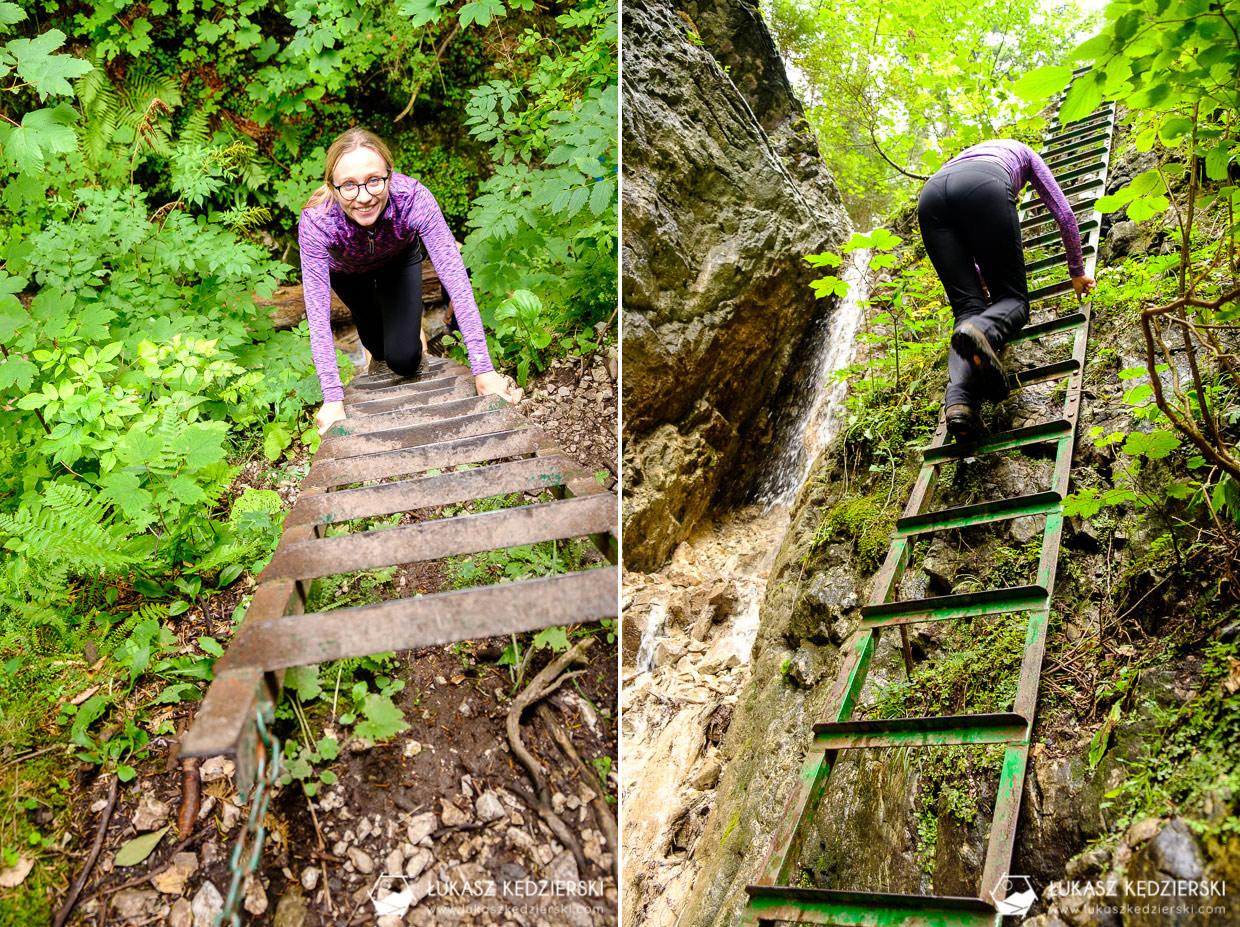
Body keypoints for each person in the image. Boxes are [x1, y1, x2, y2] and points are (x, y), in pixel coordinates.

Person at [298, 127, 519, 436]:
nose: (364, 197)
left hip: (397, 263)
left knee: (403, 359)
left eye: (374, 180)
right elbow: (318, 316)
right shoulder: (317, 221)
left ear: (390, 173)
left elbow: (455, 278)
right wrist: (333, 398)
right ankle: (379, 333)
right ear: (332, 187)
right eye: (348, 185)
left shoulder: (413, 198)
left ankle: (407, 325)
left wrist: (484, 369)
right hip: (349, 275)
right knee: (377, 347)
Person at [917, 139, 1096, 442]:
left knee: (967, 310)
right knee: (1013, 301)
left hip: (931, 196)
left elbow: (967, 260)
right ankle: (981, 332)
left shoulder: (962, 157)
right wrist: (1077, 271)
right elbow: (1063, 213)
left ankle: (960, 404)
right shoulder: (1024, 152)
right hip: (984, 184)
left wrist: (981, 287)